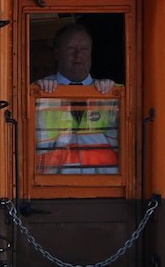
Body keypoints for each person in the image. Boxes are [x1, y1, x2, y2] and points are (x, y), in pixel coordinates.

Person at [33, 23, 118, 174]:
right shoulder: (37, 93)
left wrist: (114, 93)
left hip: (103, 185)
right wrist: (37, 93)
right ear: (57, 53)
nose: (78, 55)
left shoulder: (112, 95)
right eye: (71, 48)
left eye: (84, 49)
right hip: (50, 185)